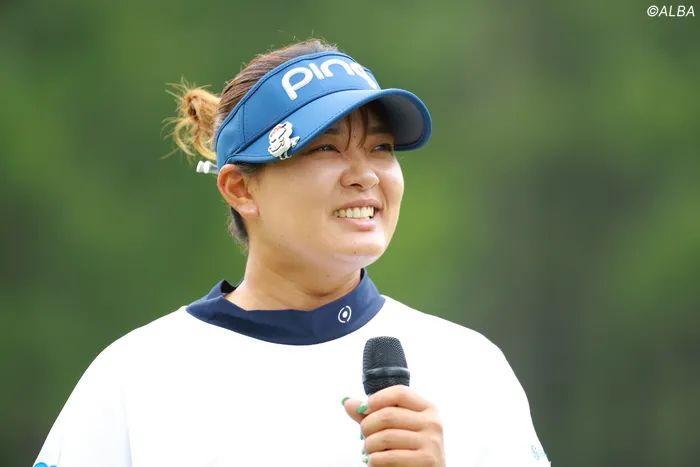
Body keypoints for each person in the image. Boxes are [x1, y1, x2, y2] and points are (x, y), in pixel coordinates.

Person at [34, 39, 549, 467]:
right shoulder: (137, 376)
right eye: (325, 148)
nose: (365, 175)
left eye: (381, 148)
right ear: (240, 189)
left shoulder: (470, 367)